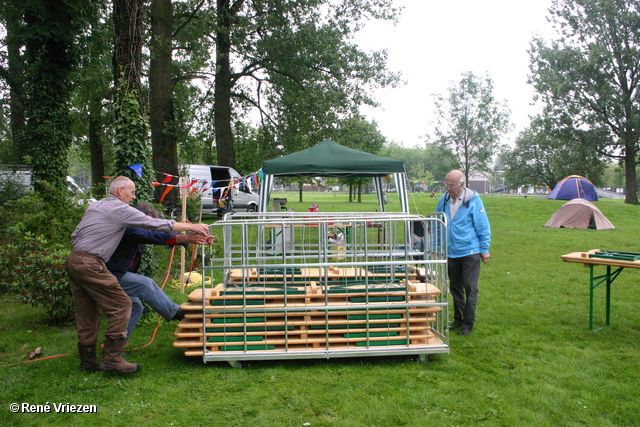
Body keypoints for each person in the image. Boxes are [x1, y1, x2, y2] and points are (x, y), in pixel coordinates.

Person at [65, 176, 210, 374]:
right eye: (131, 192)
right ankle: (113, 359)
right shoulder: (120, 211)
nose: (133, 197)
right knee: (124, 303)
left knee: (90, 313)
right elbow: (153, 226)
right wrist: (191, 228)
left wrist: (186, 238)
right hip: (91, 264)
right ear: (120, 191)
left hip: (75, 260)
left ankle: (89, 362)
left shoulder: (96, 206)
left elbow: (76, 234)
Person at [106, 202, 213, 342]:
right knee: (145, 284)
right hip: (106, 275)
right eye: (146, 223)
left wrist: (193, 237)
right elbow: (154, 237)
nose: (148, 228)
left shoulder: (139, 232)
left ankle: (115, 347)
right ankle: (175, 312)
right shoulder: (129, 229)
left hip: (117, 274)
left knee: (134, 306)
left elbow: (159, 235)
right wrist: (187, 237)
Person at [435, 170, 491, 336]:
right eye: (446, 184)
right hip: (451, 252)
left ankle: (468, 324)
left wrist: (484, 249)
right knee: (455, 288)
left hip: (469, 251)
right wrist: (437, 247)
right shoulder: (443, 199)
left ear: (461, 184)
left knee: (470, 287)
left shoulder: (473, 201)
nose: (448, 188)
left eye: (451, 185)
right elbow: (438, 223)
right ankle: (458, 320)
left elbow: (483, 226)